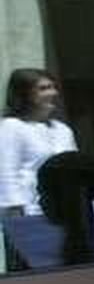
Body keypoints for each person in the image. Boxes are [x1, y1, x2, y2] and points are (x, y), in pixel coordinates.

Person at [0, 69, 77, 217]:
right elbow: (6, 171)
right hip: (30, 211)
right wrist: (16, 210)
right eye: (44, 89)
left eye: (53, 87)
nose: (53, 93)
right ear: (25, 94)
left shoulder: (62, 129)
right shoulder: (12, 127)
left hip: (65, 211)